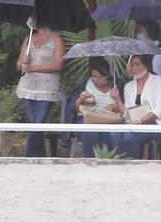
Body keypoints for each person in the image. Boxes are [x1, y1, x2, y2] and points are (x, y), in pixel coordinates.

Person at [14, 16, 64, 158]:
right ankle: (39, 157)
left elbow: (58, 65)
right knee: (32, 124)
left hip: (46, 87)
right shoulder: (28, 39)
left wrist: (33, 67)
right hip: (28, 86)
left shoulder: (57, 39)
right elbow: (19, 64)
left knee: (38, 123)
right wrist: (22, 63)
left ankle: (29, 156)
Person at [120, 53, 161, 158]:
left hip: (155, 124)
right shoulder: (128, 86)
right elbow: (127, 115)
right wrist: (117, 101)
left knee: (129, 137)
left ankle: (134, 165)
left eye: (137, 65)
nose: (133, 68)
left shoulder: (158, 81)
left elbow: (160, 109)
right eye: (132, 65)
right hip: (134, 124)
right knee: (114, 134)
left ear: (146, 65)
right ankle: (121, 164)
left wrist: (140, 121)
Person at [76, 58, 126, 158]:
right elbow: (75, 109)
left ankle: (107, 162)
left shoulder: (117, 84)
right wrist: (81, 99)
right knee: (90, 134)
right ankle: (90, 161)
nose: (97, 79)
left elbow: (124, 108)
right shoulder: (85, 84)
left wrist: (114, 106)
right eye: (94, 76)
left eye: (101, 76)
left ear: (108, 75)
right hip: (88, 119)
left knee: (108, 135)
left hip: (108, 119)